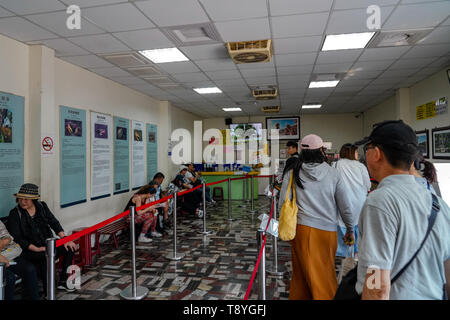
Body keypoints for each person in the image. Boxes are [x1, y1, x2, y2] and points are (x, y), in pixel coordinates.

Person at [354, 120, 450, 300]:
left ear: (376, 153)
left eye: (367, 148)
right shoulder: (438, 203)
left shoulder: (380, 202)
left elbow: (377, 284)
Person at [278, 134, 355, 300]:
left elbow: (282, 202)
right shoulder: (333, 174)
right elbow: (345, 206)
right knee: (323, 275)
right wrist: (350, 228)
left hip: (300, 230)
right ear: (321, 150)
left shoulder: (293, 172)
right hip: (327, 232)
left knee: (301, 276)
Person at [7, 183, 78, 293]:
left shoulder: (42, 206)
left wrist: (65, 239)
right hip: (28, 250)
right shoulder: (15, 214)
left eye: (27, 199)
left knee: (70, 248)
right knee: (46, 257)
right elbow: (18, 238)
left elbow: (53, 222)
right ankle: (49, 291)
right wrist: (36, 248)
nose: (22, 202)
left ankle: (64, 280)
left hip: (47, 243)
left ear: (34, 200)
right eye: (20, 198)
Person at [332, 143, 371, 258]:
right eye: (356, 152)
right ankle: (355, 258)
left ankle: (343, 260)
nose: (358, 154)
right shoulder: (361, 166)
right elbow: (368, 185)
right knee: (357, 232)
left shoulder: (336, 165)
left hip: (341, 204)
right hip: (359, 204)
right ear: (351, 153)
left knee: (342, 234)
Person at [1, 220, 40, 300]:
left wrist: (3, 242)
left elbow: (8, 237)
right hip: (2, 260)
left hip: (8, 256)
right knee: (9, 278)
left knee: (29, 269)